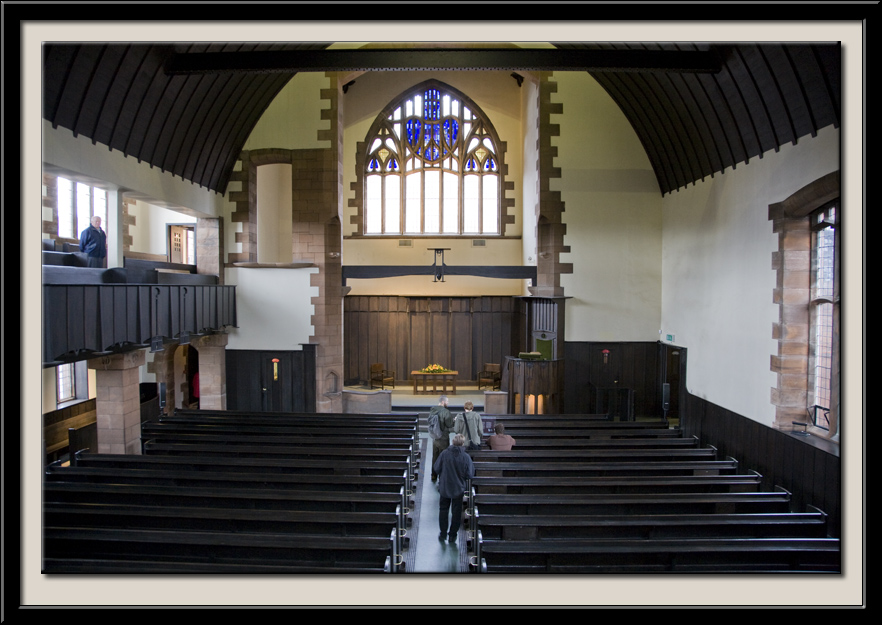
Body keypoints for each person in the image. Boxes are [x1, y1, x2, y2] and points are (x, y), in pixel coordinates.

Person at [432, 433, 475, 544]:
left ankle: (443, 533)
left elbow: (436, 468)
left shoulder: (445, 454)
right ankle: (452, 535)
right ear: (462, 444)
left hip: (445, 486)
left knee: (443, 509)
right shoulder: (465, 457)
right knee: (456, 512)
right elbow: (470, 474)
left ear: (452, 442)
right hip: (458, 488)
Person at [429, 395, 455, 482]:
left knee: (435, 456)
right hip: (443, 437)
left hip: (435, 437)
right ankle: (442, 476)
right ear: (443, 402)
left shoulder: (432, 410)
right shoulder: (446, 412)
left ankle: (433, 475)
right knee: (443, 457)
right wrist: (454, 420)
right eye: (447, 402)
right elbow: (449, 424)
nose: (448, 403)